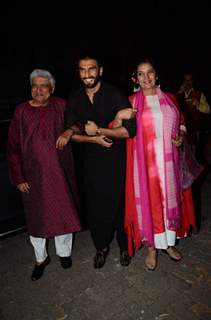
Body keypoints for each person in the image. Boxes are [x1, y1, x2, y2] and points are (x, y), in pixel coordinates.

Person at [56, 53, 136, 269]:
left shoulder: (115, 94)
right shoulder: (74, 98)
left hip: (117, 162)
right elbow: (74, 128)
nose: (87, 74)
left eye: (91, 69)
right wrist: (82, 136)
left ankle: (124, 247)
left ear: (100, 70)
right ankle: (101, 248)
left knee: (120, 205)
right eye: (82, 69)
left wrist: (101, 131)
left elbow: (129, 131)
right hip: (90, 163)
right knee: (95, 208)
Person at [120, 58, 196, 271]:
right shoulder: (131, 102)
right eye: (141, 74)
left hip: (169, 163)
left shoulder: (170, 98)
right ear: (135, 78)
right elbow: (119, 127)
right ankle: (152, 248)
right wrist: (118, 117)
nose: (146, 78)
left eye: (150, 72)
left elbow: (181, 122)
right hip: (145, 165)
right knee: (151, 204)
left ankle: (169, 244)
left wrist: (180, 136)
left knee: (169, 202)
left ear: (156, 75)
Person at [7, 69, 81, 281]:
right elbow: (12, 147)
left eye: (43, 86)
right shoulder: (21, 111)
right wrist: (19, 177)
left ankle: (64, 253)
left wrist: (70, 131)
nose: (39, 90)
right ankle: (41, 259)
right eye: (35, 86)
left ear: (52, 89)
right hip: (33, 178)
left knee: (64, 213)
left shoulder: (61, 105)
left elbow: (79, 121)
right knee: (36, 219)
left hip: (60, 173)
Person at [177, 72, 210, 158]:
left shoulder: (199, 94)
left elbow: (208, 109)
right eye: (186, 80)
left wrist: (198, 105)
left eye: (190, 80)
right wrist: (179, 93)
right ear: (183, 81)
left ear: (192, 81)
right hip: (181, 131)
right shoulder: (178, 94)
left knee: (195, 156)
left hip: (194, 130)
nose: (188, 82)